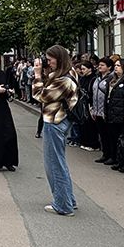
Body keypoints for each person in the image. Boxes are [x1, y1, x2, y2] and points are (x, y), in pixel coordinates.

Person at [33, 46, 79, 215]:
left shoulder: (64, 80)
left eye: (50, 59)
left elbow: (41, 96)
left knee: (54, 164)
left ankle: (63, 205)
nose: (48, 61)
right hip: (60, 120)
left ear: (59, 59)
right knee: (59, 163)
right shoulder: (69, 72)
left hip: (55, 121)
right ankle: (68, 199)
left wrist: (37, 75)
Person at [95, 58, 122, 165]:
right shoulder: (97, 78)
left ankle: (113, 155)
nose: (99, 67)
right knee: (102, 134)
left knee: (110, 134)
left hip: (107, 110)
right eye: (99, 65)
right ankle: (105, 154)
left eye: (102, 65)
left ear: (108, 67)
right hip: (97, 109)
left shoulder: (111, 78)